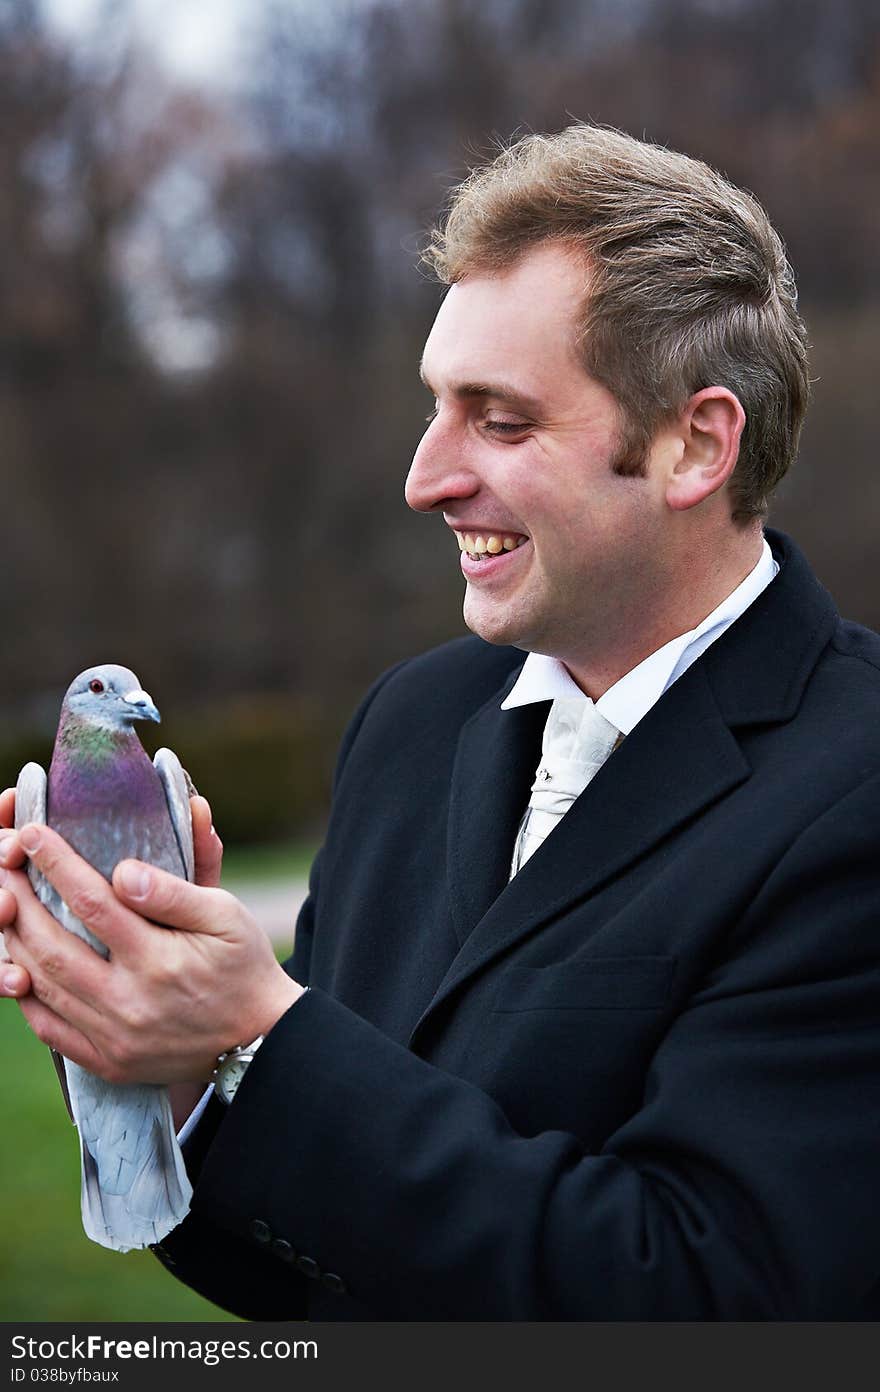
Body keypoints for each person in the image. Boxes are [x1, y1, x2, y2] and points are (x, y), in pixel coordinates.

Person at [2, 124, 880, 1321]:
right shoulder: (411, 725)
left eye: (500, 421)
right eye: (433, 407)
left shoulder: (856, 785)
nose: (425, 477)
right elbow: (300, 1272)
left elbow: (705, 1292)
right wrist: (162, 1064)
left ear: (696, 444)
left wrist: (265, 1033)